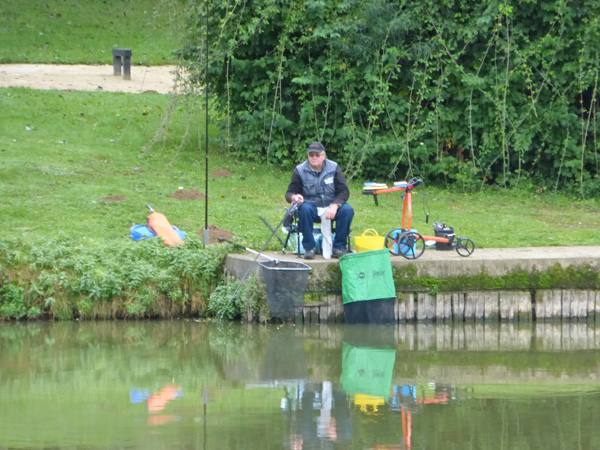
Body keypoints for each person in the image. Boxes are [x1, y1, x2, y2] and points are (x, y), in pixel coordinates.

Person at [285, 142, 354, 259]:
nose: (314, 157)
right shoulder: (299, 170)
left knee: (347, 210)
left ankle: (339, 247)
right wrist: (294, 197)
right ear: (308, 156)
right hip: (311, 207)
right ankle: (309, 248)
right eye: (311, 155)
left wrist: (335, 205)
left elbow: (344, 191)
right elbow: (289, 193)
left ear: (324, 156)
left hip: (331, 206)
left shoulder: (334, 168)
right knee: (304, 209)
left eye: (317, 155)